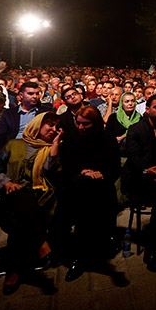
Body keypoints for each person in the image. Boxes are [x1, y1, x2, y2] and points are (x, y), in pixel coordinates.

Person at [0, 112, 62, 294]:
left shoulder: (54, 148)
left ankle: (15, 271)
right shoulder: (14, 144)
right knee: (20, 197)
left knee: (22, 211)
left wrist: (55, 147)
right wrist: (7, 183)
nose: (53, 130)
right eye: (49, 125)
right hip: (10, 195)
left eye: (56, 127)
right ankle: (41, 243)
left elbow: (52, 173)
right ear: (37, 124)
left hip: (42, 197)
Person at [59, 105, 121, 281]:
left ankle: (99, 247)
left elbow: (115, 167)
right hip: (77, 186)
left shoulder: (107, 139)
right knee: (83, 203)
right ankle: (79, 258)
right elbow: (66, 166)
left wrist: (102, 173)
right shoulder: (71, 138)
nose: (81, 128)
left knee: (98, 198)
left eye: (85, 124)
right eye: (78, 124)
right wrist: (84, 172)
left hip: (101, 185)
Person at [122, 95, 156, 272]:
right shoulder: (135, 130)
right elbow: (134, 157)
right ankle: (153, 247)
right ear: (147, 110)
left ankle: (152, 249)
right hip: (139, 178)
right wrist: (148, 171)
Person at [0, 81, 53, 150]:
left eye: (37, 94)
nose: (35, 96)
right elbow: (0, 136)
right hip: (14, 148)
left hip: (39, 148)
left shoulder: (47, 112)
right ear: (21, 95)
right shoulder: (9, 113)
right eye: (30, 94)